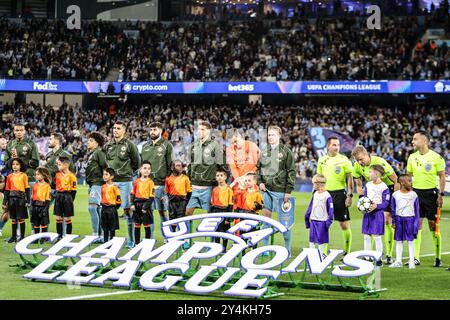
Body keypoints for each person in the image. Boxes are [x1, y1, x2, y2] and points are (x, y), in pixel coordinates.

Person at [351, 145, 399, 264]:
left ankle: (387, 254)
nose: (359, 162)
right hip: (371, 189)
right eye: (357, 160)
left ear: (367, 154)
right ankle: (369, 256)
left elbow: (396, 180)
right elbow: (358, 184)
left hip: (387, 188)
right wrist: (363, 202)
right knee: (368, 231)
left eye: (361, 159)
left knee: (387, 219)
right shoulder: (357, 166)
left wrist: (395, 200)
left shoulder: (380, 162)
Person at [406, 131, 446, 267]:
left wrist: (440, 194)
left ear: (424, 141)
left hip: (431, 195)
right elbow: (409, 176)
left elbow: (441, 176)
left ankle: (438, 257)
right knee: (416, 226)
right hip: (416, 194)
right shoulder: (411, 157)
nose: (412, 141)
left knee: (433, 226)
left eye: (415, 139)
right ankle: (415, 257)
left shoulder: (436, 157)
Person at [257, 125, 296, 253]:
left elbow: (291, 172)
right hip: (266, 190)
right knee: (266, 219)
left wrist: (288, 191)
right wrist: (260, 182)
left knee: (285, 223)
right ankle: (265, 248)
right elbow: (258, 169)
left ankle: (287, 249)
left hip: (281, 191)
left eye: (273, 135)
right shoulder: (264, 152)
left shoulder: (286, 152)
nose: (270, 137)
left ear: (279, 136)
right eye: (269, 135)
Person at [104, 120, 140, 249]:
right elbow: (105, 162)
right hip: (111, 183)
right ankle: (108, 240)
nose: (115, 130)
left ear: (124, 130)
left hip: (125, 182)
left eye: (118, 128)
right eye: (114, 128)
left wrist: (128, 173)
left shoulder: (130, 145)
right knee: (108, 211)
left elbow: (137, 162)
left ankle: (131, 241)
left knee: (128, 211)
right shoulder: (108, 145)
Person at [317, 136, 353, 256]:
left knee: (343, 223)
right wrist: (316, 193)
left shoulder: (344, 160)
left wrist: (350, 195)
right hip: (325, 194)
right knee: (324, 223)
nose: (336, 147)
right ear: (328, 146)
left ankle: (347, 251)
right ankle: (324, 251)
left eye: (338, 145)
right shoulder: (322, 160)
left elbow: (349, 178)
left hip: (340, 194)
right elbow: (319, 178)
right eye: (334, 145)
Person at [140, 122, 174, 239]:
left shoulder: (167, 145)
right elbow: (141, 165)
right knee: (147, 213)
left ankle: (167, 238)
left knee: (163, 213)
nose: (152, 132)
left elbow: (171, 165)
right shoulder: (145, 146)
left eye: (154, 129)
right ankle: (150, 239)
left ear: (160, 130)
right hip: (146, 186)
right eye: (151, 130)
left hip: (161, 185)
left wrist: (167, 184)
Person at [389, 173, 420, 269]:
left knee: (410, 241)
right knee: (399, 241)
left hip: (410, 219)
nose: (411, 183)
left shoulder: (414, 195)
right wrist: (394, 221)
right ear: (402, 182)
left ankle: (411, 261)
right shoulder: (395, 195)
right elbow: (393, 209)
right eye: (409, 181)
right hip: (399, 219)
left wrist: (416, 224)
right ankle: (398, 261)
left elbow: (417, 211)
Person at [362, 164, 390, 267]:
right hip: (367, 214)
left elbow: (385, 203)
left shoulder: (384, 187)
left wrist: (376, 206)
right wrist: (363, 206)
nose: (368, 174)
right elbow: (364, 199)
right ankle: (367, 258)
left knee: (377, 237)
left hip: (377, 214)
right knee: (366, 236)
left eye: (370, 172)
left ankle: (378, 259)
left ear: (376, 173)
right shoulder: (368, 185)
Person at [305, 174, 334, 258]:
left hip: (322, 222)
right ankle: (312, 257)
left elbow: (331, 210)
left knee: (321, 240)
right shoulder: (315, 194)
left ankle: (321, 256)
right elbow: (310, 207)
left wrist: (328, 222)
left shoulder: (327, 195)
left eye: (314, 183)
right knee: (312, 240)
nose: (313, 185)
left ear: (318, 184)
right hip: (313, 221)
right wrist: (307, 219)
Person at [86, 132, 107, 243]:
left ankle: (95, 235)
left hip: (97, 183)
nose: (88, 142)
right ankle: (101, 236)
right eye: (88, 140)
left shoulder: (99, 152)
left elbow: (105, 166)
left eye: (91, 140)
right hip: (92, 184)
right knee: (98, 210)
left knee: (92, 208)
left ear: (97, 143)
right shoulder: (91, 154)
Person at [3, 158, 30, 243]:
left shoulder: (23, 175)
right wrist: (4, 202)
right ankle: (13, 236)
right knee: (13, 219)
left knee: (21, 218)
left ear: (20, 166)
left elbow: (27, 189)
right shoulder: (9, 176)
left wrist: (28, 201)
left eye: (17, 164)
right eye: (13, 164)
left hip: (21, 199)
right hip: (11, 199)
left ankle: (22, 236)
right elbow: (7, 190)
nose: (15, 166)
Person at [236, 173, 263, 250]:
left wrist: (258, 207)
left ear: (254, 182)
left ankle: (253, 252)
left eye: (249, 180)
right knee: (243, 234)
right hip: (244, 216)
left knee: (254, 235)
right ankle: (242, 252)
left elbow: (260, 208)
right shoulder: (242, 193)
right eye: (246, 180)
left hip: (253, 217)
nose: (247, 182)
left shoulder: (258, 194)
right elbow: (238, 206)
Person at [130, 161, 155, 244]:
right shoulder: (136, 182)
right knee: (137, 225)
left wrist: (145, 207)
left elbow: (151, 197)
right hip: (137, 204)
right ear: (140, 170)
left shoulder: (151, 182)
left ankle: (147, 245)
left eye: (149, 169)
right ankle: (136, 244)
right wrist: (132, 204)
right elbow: (132, 194)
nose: (147, 170)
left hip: (146, 205)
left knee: (147, 225)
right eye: (144, 168)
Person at [54, 156, 77, 241]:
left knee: (67, 218)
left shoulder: (72, 176)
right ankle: (59, 236)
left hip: (67, 196)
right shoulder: (57, 174)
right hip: (58, 196)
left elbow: (74, 191)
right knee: (58, 217)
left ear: (66, 165)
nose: (58, 166)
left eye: (60, 164)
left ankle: (68, 237)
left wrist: (71, 200)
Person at [209, 168, 234, 248]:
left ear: (225, 177)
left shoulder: (229, 189)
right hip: (216, 211)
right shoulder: (215, 190)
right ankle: (216, 248)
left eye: (221, 175)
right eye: (217, 176)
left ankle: (224, 248)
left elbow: (230, 204)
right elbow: (212, 204)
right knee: (216, 231)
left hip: (225, 211)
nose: (219, 177)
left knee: (224, 232)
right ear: (216, 178)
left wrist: (228, 218)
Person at [165, 160, 191, 232]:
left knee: (181, 220)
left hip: (182, 202)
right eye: (178, 165)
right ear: (172, 167)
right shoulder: (168, 179)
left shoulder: (185, 178)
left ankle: (182, 239)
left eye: (181, 166)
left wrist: (185, 202)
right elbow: (167, 192)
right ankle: (173, 237)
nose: (180, 167)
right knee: (172, 219)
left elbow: (189, 192)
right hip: (172, 202)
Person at [101, 168, 122, 243]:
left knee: (112, 228)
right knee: (105, 228)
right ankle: (105, 243)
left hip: (112, 209)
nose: (104, 176)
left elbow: (118, 200)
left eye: (106, 174)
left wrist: (114, 208)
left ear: (112, 177)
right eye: (104, 174)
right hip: (104, 209)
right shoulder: (102, 187)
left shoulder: (115, 187)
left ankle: (112, 243)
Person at [31, 168, 52, 239]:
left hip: (43, 206)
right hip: (35, 206)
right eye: (36, 174)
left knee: (44, 223)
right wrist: (32, 207)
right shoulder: (34, 185)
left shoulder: (47, 186)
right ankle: (36, 238)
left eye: (38, 174)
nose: (36, 176)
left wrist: (45, 209)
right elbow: (33, 197)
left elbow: (48, 199)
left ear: (43, 176)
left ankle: (44, 238)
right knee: (36, 223)